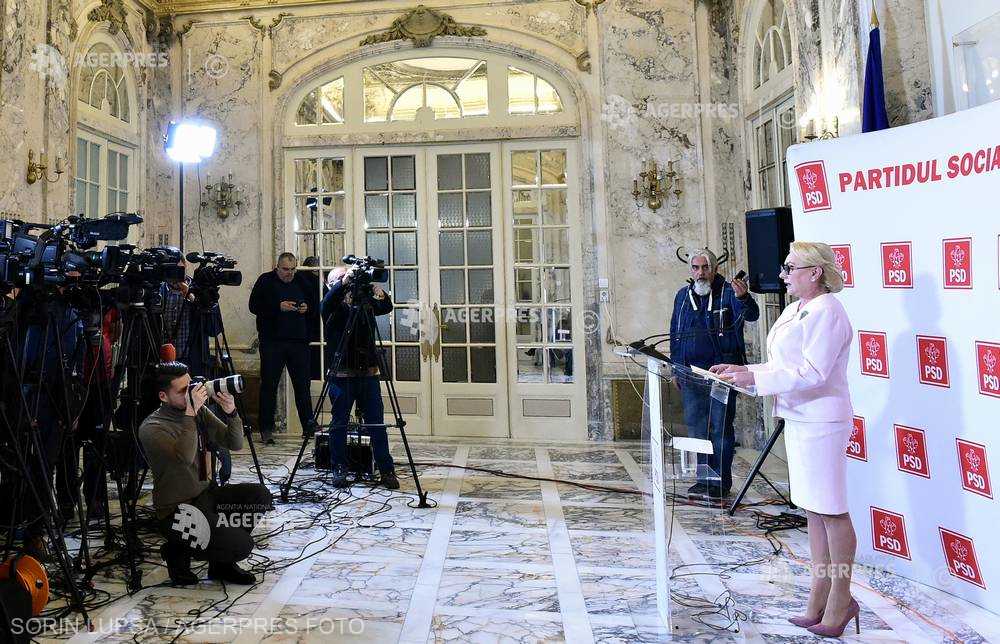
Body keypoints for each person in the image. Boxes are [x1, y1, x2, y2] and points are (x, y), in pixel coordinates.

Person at [711, 241, 858, 637]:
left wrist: (754, 378)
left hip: (823, 420)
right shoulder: (796, 309)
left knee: (831, 510)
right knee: (813, 510)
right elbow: (781, 365)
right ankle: (819, 592)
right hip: (799, 418)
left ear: (815, 273)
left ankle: (841, 597)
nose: (782, 275)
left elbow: (813, 372)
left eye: (790, 268)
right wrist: (743, 371)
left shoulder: (829, 311)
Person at [139, 362, 273, 586]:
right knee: (242, 546)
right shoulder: (152, 428)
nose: (190, 393)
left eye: (190, 385)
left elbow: (234, 443)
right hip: (177, 512)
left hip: (206, 496)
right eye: (182, 391)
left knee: (259, 496)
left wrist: (231, 412)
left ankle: (221, 564)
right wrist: (190, 413)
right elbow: (184, 457)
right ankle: (176, 550)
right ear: (163, 396)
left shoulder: (198, 412)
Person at [669, 248, 759, 500]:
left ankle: (720, 483)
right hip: (690, 375)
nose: (700, 273)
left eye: (705, 267)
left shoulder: (729, 292)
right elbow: (675, 332)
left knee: (720, 429)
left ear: (715, 268)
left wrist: (744, 297)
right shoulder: (682, 296)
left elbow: (752, 315)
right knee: (698, 430)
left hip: (722, 376)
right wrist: (676, 367)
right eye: (696, 268)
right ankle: (704, 480)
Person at [321, 266, 398, 489]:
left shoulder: (363, 302)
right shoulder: (332, 306)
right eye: (341, 278)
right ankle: (339, 467)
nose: (349, 281)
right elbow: (325, 305)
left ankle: (386, 469)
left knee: (376, 423)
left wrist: (378, 292)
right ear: (330, 285)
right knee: (339, 423)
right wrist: (343, 283)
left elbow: (385, 307)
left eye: (348, 277)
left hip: (368, 373)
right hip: (341, 374)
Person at [162, 259, 231, 482]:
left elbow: (214, 328)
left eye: (179, 267)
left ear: (185, 266)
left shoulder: (199, 290)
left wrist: (194, 298)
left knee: (200, 412)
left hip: (192, 362)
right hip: (164, 364)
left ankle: (211, 459)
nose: (176, 272)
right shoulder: (159, 291)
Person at [248, 253, 319, 444]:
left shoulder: (303, 280)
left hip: (299, 342)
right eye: (286, 269)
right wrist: (278, 307)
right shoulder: (265, 281)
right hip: (273, 342)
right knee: (269, 386)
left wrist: (307, 308)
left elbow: (316, 305)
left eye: (293, 269)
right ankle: (266, 429)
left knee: (302, 386)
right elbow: (253, 306)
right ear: (277, 267)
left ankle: (308, 426)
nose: (290, 273)